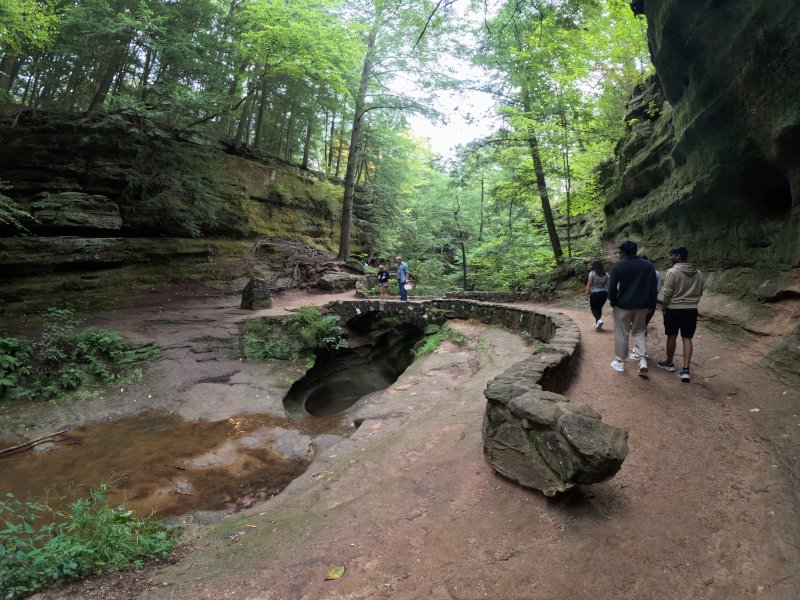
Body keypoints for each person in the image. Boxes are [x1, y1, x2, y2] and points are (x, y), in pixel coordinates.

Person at [607, 240, 658, 375]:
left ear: (622, 252)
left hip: (623, 305)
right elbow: (653, 288)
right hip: (642, 305)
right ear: (636, 250)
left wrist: (614, 301)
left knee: (622, 333)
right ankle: (642, 360)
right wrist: (652, 305)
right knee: (640, 331)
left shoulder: (619, 265)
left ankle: (620, 362)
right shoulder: (648, 265)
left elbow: (612, 288)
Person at [657, 246, 704, 382]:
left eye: (671, 255)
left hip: (674, 309)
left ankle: (670, 363)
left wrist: (664, 306)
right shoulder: (698, 273)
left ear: (678, 256)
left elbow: (667, 292)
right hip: (691, 309)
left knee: (671, 335)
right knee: (687, 338)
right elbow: (700, 291)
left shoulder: (672, 272)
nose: (669, 258)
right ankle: (685, 370)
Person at [584, 260, 609, 330]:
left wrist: (586, 293)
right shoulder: (606, 274)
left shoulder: (592, 273)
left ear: (594, 266)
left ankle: (598, 320)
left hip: (594, 293)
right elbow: (608, 286)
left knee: (594, 308)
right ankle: (597, 323)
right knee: (599, 308)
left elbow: (589, 284)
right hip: (604, 293)